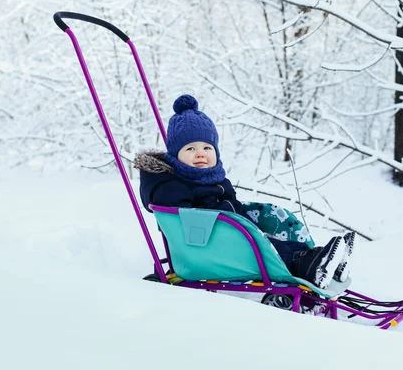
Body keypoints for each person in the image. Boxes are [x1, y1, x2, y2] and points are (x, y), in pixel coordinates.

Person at [134, 94, 355, 289]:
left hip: (231, 239)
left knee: (274, 242)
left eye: (207, 148)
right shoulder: (173, 184)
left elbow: (234, 207)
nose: (200, 153)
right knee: (270, 249)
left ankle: (320, 259)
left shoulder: (217, 180)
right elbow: (181, 219)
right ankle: (310, 265)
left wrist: (248, 221)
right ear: (175, 156)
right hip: (207, 249)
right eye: (190, 148)